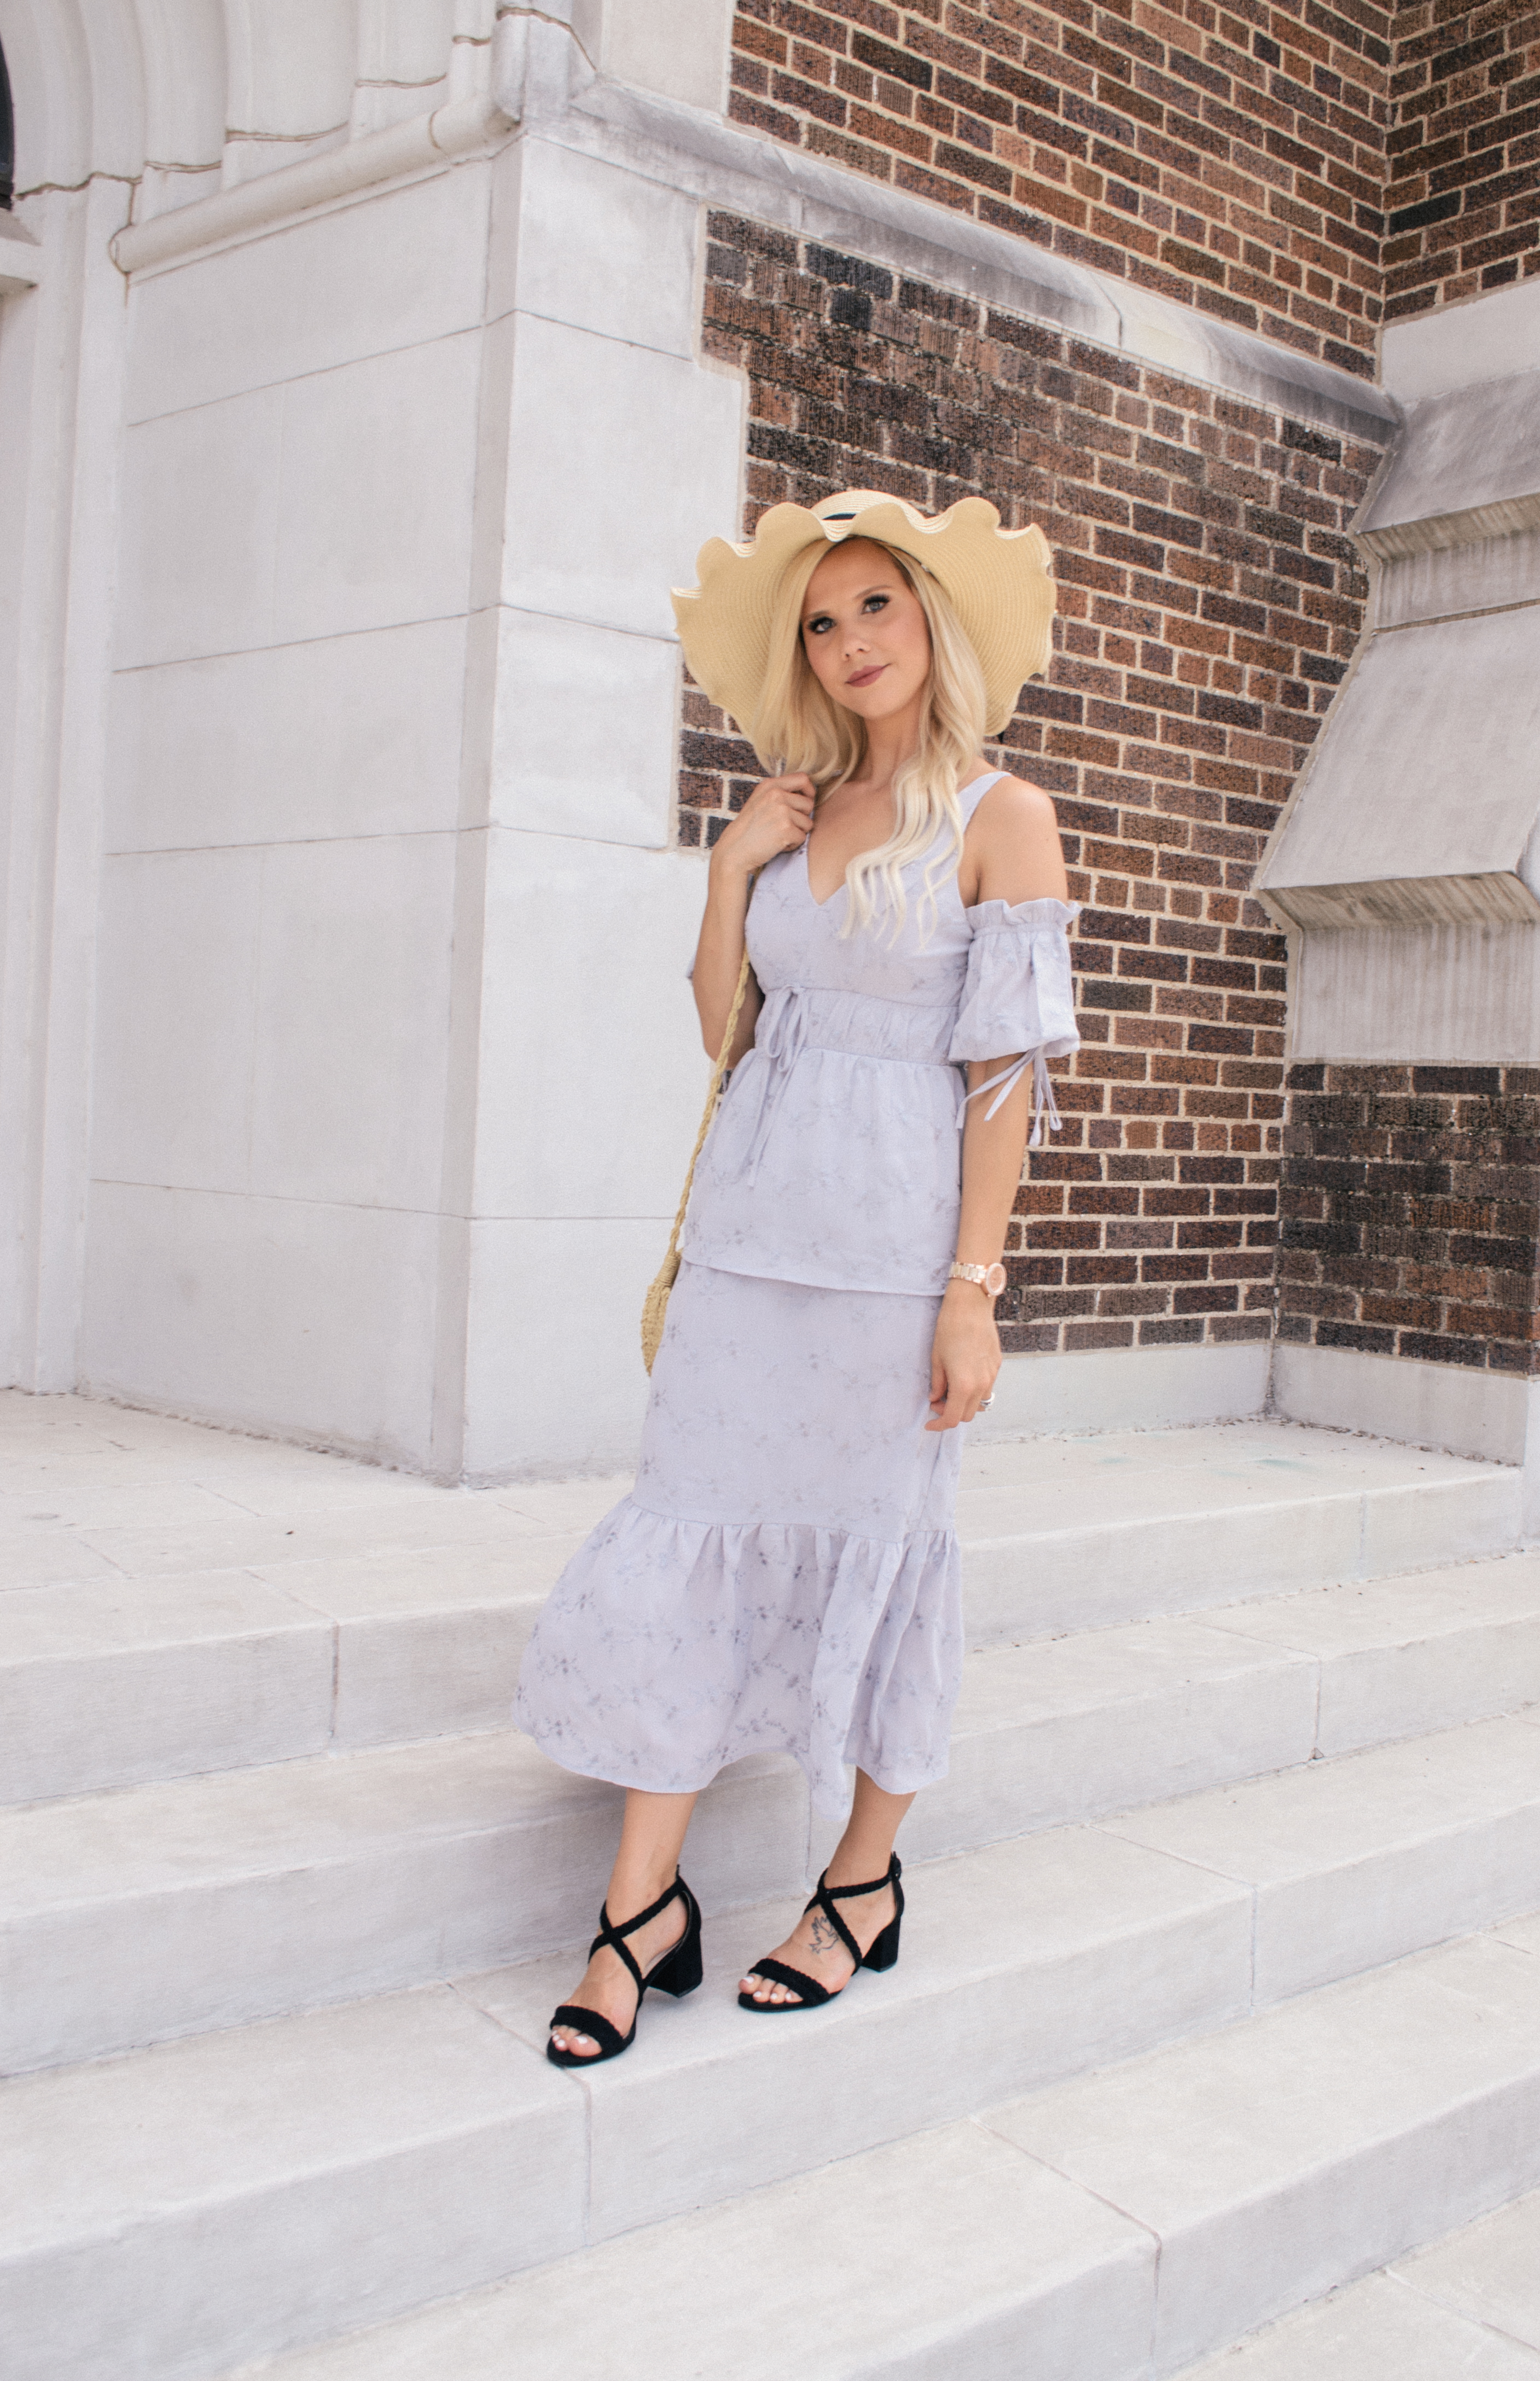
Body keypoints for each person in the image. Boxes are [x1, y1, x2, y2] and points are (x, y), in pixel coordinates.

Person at [514, 488, 1076, 2063]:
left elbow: (1003, 1078)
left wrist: (975, 1284)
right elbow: (727, 1033)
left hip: (896, 1264)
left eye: (874, 609)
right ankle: (641, 1912)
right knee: (686, 1532)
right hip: (750, 1251)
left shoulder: (1000, 817)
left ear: (929, 621)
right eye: (822, 625)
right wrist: (726, 871)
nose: (849, 645)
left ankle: (860, 1878)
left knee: (891, 1545)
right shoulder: (793, 810)